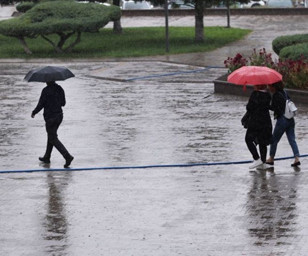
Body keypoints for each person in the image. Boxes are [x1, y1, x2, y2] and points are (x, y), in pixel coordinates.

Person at [31, 81, 74, 168]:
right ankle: (47, 157)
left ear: (47, 81)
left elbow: (41, 104)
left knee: (53, 138)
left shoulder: (45, 90)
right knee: (51, 135)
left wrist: (34, 112)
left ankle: (67, 156)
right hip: (59, 116)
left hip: (50, 118)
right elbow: (63, 103)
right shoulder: (60, 88)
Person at [266, 81, 300, 167]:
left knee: (274, 140)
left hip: (282, 120)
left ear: (274, 87)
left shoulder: (276, 95)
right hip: (291, 120)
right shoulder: (285, 92)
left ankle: (271, 158)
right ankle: (297, 158)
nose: (268, 88)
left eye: (269, 86)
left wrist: (266, 105)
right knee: (292, 140)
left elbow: (274, 108)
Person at [245, 84, 272, 169]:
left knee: (248, 139)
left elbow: (249, 107)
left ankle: (256, 158)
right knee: (262, 141)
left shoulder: (255, 94)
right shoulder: (268, 94)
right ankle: (263, 162)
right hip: (266, 121)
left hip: (255, 121)